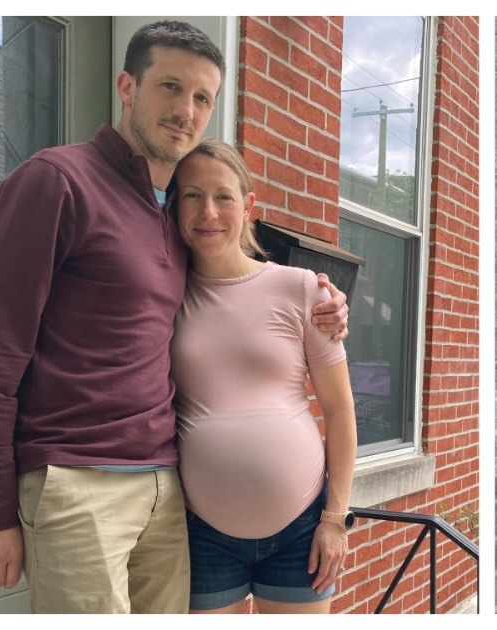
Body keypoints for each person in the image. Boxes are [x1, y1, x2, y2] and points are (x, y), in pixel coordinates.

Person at [0, 21, 348, 614]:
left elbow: (240, 281)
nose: (185, 110)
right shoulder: (57, 182)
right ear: (127, 86)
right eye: (169, 87)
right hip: (75, 481)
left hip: (166, 489)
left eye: (202, 97)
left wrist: (328, 301)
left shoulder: (171, 219)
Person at [169, 138, 356, 614]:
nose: (207, 211)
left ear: (248, 206)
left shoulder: (301, 289)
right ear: (173, 207)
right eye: (191, 195)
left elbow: (339, 411)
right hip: (202, 533)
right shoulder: (163, 296)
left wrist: (335, 519)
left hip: (302, 532)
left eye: (223, 196)